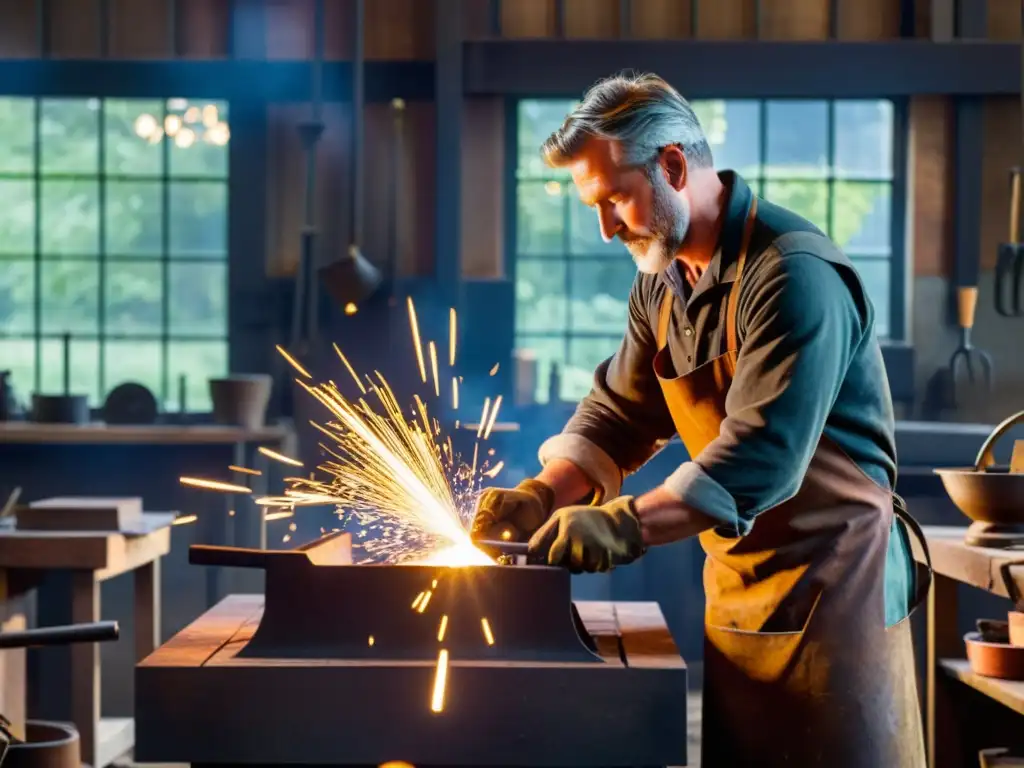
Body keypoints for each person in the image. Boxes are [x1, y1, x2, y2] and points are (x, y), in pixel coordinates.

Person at [471, 73, 930, 767]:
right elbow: (620, 415)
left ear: (674, 166)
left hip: (838, 598)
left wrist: (621, 523)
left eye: (614, 199)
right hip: (741, 595)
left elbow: (759, 459)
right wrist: (545, 492)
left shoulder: (791, 274)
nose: (605, 228)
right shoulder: (663, 282)